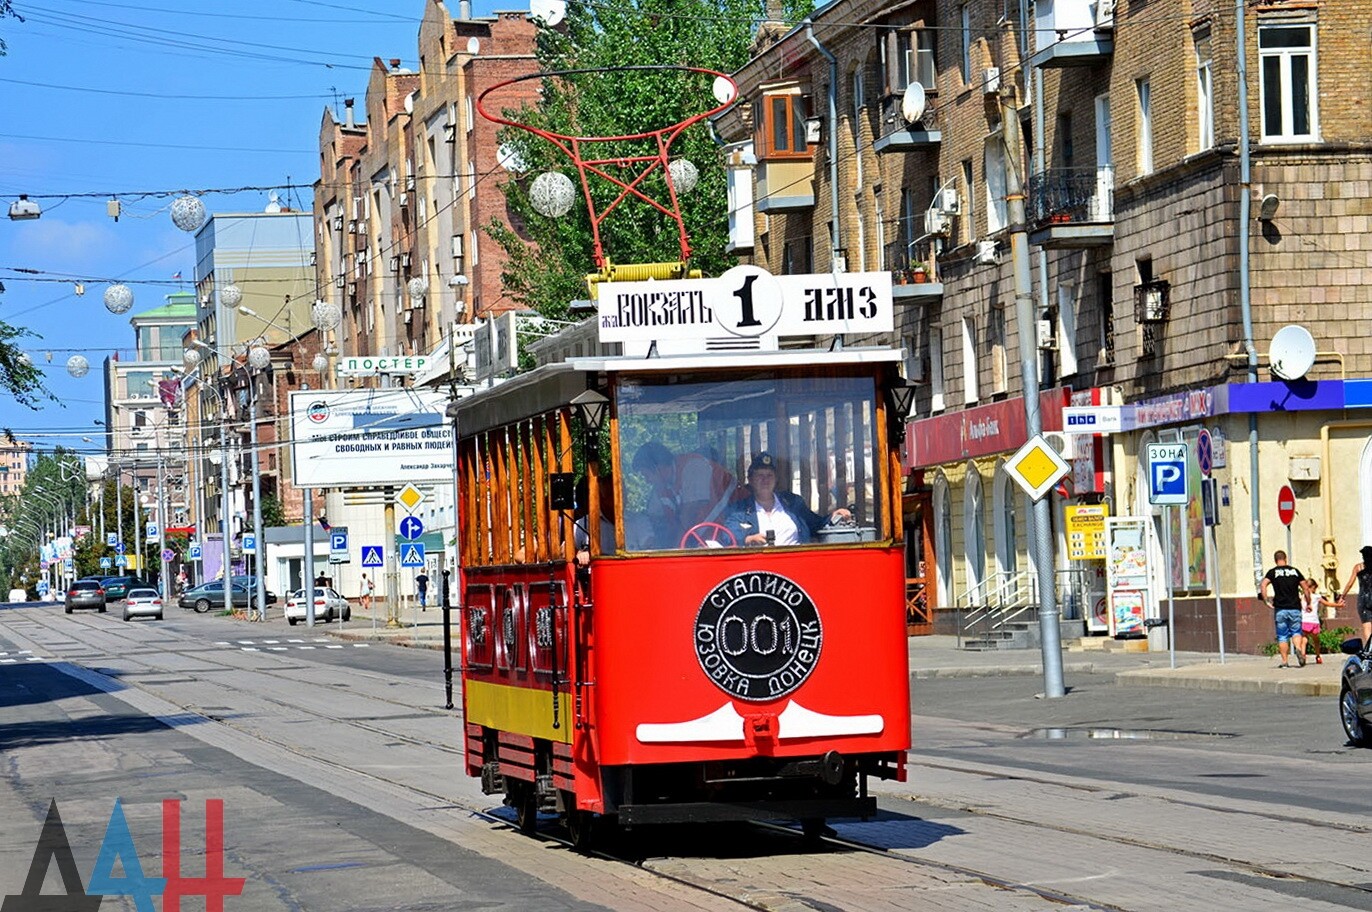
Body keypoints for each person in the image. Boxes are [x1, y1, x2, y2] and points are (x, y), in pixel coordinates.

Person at [725, 452, 852, 547]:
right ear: (751, 480)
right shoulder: (739, 509)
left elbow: (816, 524)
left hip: (796, 565)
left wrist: (833, 517)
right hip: (758, 568)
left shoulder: (792, 503)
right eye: (760, 476)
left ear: (776, 479)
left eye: (769, 475)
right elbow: (725, 535)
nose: (765, 480)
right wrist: (748, 540)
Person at [1260, 550, 1306, 667]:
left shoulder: (1272, 572)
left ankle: (1285, 662)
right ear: (1285, 559)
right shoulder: (1295, 571)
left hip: (1280, 608)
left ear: (1275, 560)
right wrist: (1308, 601)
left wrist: (1266, 600)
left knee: (1282, 636)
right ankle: (1298, 648)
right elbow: (1305, 587)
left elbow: (1263, 584)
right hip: (1295, 607)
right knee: (1296, 632)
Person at [1338, 545, 1372, 646]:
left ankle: (1370, 649)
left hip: (1363, 599)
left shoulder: (1358, 567)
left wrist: (1343, 595)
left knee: (1367, 626)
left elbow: (1350, 583)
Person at [1300, 578, 1326, 665]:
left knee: (1304, 638)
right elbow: (1327, 603)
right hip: (1314, 621)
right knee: (1316, 640)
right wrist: (1338, 605)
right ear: (1313, 587)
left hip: (1304, 621)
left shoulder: (1302, 597)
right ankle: (1318, 656)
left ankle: (1303, 655)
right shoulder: (1316, 596)